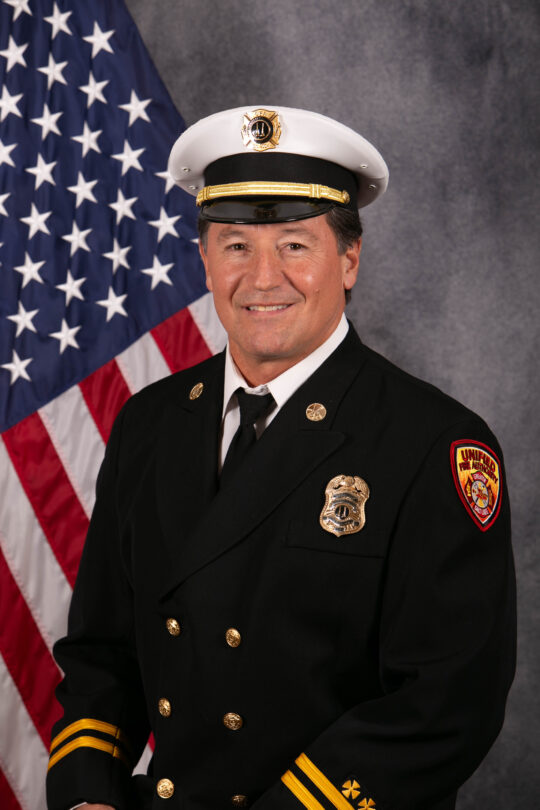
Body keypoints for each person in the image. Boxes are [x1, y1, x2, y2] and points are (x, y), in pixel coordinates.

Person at [46, 106, 516, 810]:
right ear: (204, 260)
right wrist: (88, 795)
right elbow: (102, 655)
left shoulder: (434, 444)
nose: (263, 278)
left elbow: (446, 703)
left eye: (295, 245)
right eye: (236, 244)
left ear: (348, 260)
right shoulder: (149, 425)